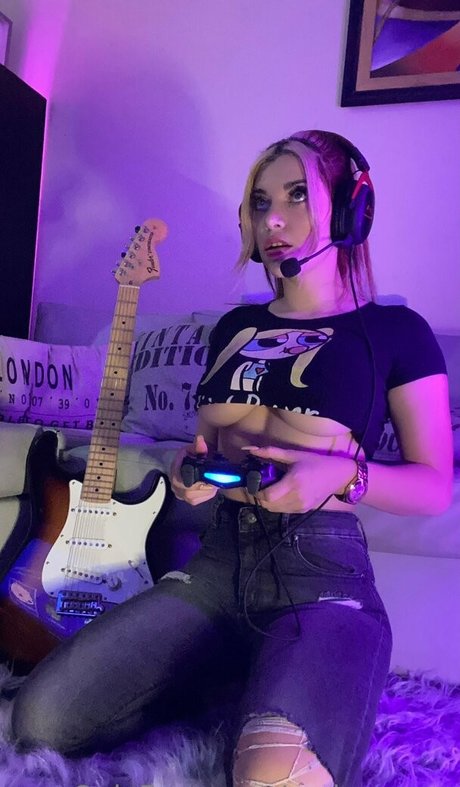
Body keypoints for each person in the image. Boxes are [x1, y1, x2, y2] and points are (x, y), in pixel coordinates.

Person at [11, 130, 452, 787]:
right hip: (215, 566)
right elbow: (205, 447)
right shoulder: (235, 329)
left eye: (297, 195)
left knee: (274, 775)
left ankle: (291, 675)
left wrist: (344, 474)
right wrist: (188, 471)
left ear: (349, 210)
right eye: (260, 201)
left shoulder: (396, 333)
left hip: (320, 578)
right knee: (40, 722)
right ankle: (239, 671)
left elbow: (434, 485)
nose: (273, 219)